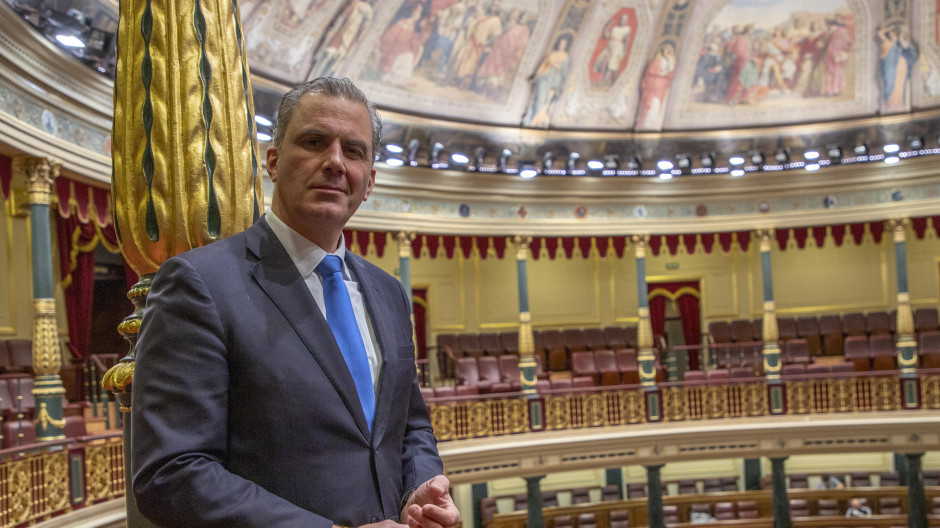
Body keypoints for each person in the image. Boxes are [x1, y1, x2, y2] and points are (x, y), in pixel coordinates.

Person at [131, 77, 461, 528]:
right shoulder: (201, 284)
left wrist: (420, 489)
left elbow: (411, 426)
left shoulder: (388, 291)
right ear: (273, 161)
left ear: (369, 183)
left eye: (355, 151)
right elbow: (172, 473)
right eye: (314, 141)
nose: (335, 162)